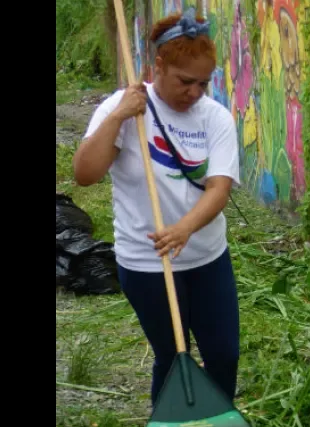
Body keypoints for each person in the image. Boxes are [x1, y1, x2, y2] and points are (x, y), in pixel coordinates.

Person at [72, 7, 242, 406]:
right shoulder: (125, 109)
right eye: (186, 82)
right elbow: (85, 174)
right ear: (158, 65)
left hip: (206, 257)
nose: (195, 93)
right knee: (171, 355)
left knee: (223, 354)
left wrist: (184, 229)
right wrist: (117, 118)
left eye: (204, 83)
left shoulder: (215, 118)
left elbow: (219, 189)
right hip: (146, 264)